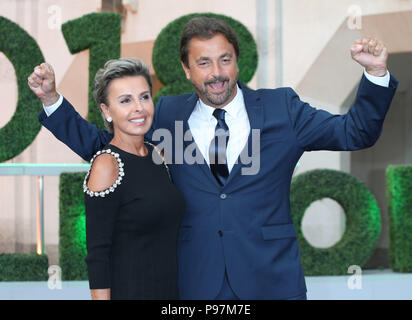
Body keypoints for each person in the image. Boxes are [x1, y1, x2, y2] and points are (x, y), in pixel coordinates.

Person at [29, 17, 397, 300]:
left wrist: (376, 75)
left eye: (225, 60)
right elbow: (106, 146)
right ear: (187, 70)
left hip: (270, 279)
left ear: (237, 62)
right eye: (203, 63)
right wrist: (51, 102)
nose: (216, 73)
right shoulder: (168, 113)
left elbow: (355, 132)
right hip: (193, 281)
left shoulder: (282, 108)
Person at [29, 58, 184, 300]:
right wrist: (50, 99)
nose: (139, 108)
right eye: (125, 100)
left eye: (144, 97)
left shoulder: (159, 155)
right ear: (106, 111)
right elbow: (98, 254)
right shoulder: (106, 163)